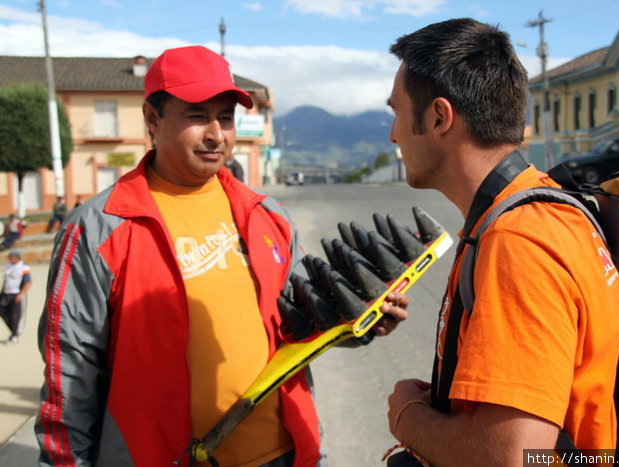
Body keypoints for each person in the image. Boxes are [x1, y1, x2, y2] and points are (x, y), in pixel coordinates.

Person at [35, 45, 408, 467]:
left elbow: (303, 320)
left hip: (285, 453)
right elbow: (70, 370)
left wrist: (362, 321)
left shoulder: (267, 216)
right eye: (197, 115)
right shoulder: (98, 229)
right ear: (153, 120)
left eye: (226, 117)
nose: (217, 134)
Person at [384, 18, 619, 466]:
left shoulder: (518, 242)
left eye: (396, 113)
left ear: (439, 117)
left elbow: (510, 456)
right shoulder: (544, 207)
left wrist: (408, 417)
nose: (393, 134)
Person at [0, 249, 31, 344]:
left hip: (17, 293)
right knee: (2, 311)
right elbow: (6, 280)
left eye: (13, 258)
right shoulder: (8, 266)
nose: (11, 259)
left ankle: (15, 334)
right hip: (6, 293)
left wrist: (21, 294)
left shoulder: (24, 267)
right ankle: (13, 330)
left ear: (18, 258)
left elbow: (28, 282)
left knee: (15, 315)